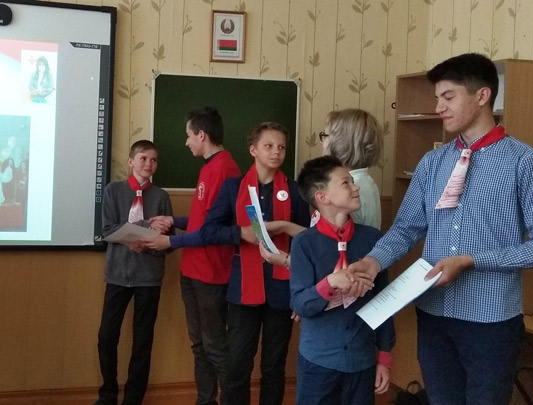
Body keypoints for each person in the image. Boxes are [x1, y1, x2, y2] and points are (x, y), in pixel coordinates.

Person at [347, 52, 533, 405]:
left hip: (490, 319)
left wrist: (472, 260)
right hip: (433, 312)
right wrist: (373, 261)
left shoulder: (525, 162)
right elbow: (406, 228)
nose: (439, 107)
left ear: (482, 95)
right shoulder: (432, 162)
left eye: (448, 97)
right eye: (437, 97)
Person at [200, 122, 310, 405]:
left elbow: (308, 243)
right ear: (253, 150)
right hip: (243, 290)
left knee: (274, 366)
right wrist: (240, 233)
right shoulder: (233, 187)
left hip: (282, 289)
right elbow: (209, 231)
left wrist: (302, 288)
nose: (276, 152)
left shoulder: (295, 190)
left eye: (281, 147)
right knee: (237, 364)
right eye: (268, 146)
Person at [143, 107, 241, 405]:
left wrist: (171, 241)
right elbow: (203, 222)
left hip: (212, 274)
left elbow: (215, 231)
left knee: (215, 347)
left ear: (202, 135)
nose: (186, 142)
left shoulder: (225, 170)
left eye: (188, 136)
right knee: (199, 345)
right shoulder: (208, 167)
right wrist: (174, 221)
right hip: (192, 270)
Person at [290, 155, 395, 405]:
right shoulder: (304, 243)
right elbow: (300, 304)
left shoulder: (373, 240)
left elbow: (385, 301)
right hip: (318, 361)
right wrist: (330, 283)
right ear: (322, 197)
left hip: (362, 360)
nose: (356, 187)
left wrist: (384, 356)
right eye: (346, 183)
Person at [95, 140, 173, 405]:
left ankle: (133, 398)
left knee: (142, 341)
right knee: (107, 337)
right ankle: (108, 394)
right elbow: (107, 230)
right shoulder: (113, 190)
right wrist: (139, 231)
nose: (148, 164)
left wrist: (148, 243)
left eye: (153, 160)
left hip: (148, 277)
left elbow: (168, 241)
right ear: (131, 162)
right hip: (117, 275)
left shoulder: (161, 196)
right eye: (143, 158)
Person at [319, 108, 382, 229]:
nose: (322, 142)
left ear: (341, 142)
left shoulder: (349, 188)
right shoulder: (365, 181)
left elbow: (335, 238)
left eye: (325, 136)